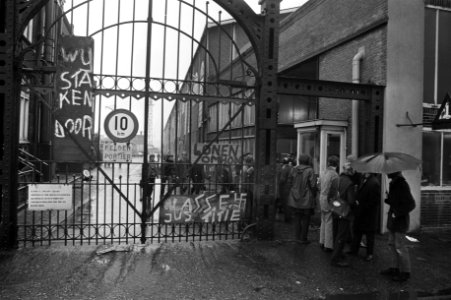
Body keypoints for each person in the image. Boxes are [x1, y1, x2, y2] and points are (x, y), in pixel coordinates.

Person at [380, 171, 416, 282]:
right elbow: (396, 201)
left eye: (388, 171)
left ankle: (405, 272)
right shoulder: (393, 184)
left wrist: (398, 213)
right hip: (393, 220)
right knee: (391, 244)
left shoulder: (402, 184)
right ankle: (394, 268)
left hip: (400, 221)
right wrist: (389, 199)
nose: (386, 173)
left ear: (394, 172)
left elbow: (411, 204)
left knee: (400, 246)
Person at [329, 161, 356, 267]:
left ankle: (337, 253)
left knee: (336, 234)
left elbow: (330, 196)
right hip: (344, 212)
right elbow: (351, 200)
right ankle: (335, 259)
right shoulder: (349, 183)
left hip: (335, 210)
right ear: (350, 171)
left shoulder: (336, 180)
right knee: (341, 235)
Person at [348, 173, 381, 261]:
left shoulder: (374, 182)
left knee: (369, 235)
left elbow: (374, 201)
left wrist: (361, 204)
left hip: (368, 214)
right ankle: (354, 250)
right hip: (361, 212)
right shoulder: (363, 179)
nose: (362, 172)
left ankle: (369, 254)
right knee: (358, 232)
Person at [287, 154, 317, 244]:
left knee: (297, 218)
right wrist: (314, 196)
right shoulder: (310, 170)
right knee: (306, 219)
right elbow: (313, 185)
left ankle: (297, 237)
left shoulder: (293, 169)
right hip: (306, 198)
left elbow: (289, 182)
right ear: (308, 161)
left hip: (294, 197)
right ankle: (303, 238)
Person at [319, 155, 339, 252]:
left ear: (328, 163)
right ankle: (328, 245)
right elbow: (334, 190)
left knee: (323, 220)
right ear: (337, 164)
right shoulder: (334, 175)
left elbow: (319, 185)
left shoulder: (323, 172)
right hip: (328, 198)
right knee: (329, 221)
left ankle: (321, 241)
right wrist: (333, 201)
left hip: (321, 197)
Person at [278, 157, 293, 223]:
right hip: (290, 188)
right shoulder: (291, 168)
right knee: (288, 203)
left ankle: (287, 218)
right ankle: (288, 217)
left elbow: (282, 180)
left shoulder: (284, 168)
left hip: (284, 188)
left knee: (285, 203)